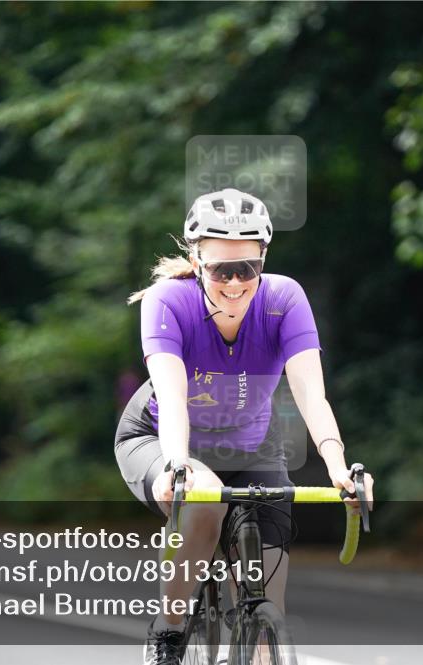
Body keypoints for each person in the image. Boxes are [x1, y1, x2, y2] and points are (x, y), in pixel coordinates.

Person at [116, 188, 374, 665]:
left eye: (248, 269)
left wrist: (339, 467)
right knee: (207, 502)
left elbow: (311, 394)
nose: (235, 282)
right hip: (160, 437)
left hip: (251, 446)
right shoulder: (168, 301)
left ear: (264, 259)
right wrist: (178, 465)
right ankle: (168, 633)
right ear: (196, 261)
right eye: (220, 270)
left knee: (268, 605)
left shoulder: (283, 299)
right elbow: (172, 399)